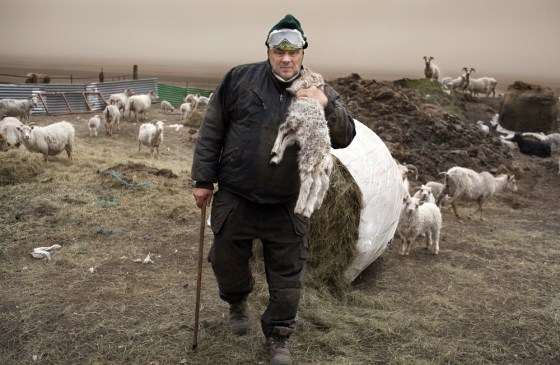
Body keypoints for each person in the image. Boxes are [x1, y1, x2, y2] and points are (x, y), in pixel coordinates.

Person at [191, 14, 356, 365]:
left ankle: (279, 336)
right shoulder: (239, 79)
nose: (286, 59)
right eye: (278, 51)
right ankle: (237, 302)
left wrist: (325, 105)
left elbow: (346, 136)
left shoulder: (319, 90)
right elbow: (212, 129)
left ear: (302, 53)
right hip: (237, 196)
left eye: (293, 52)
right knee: (225, 261)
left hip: (288, 203)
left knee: (287, 276)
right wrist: (203, 180)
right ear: (267, 51)